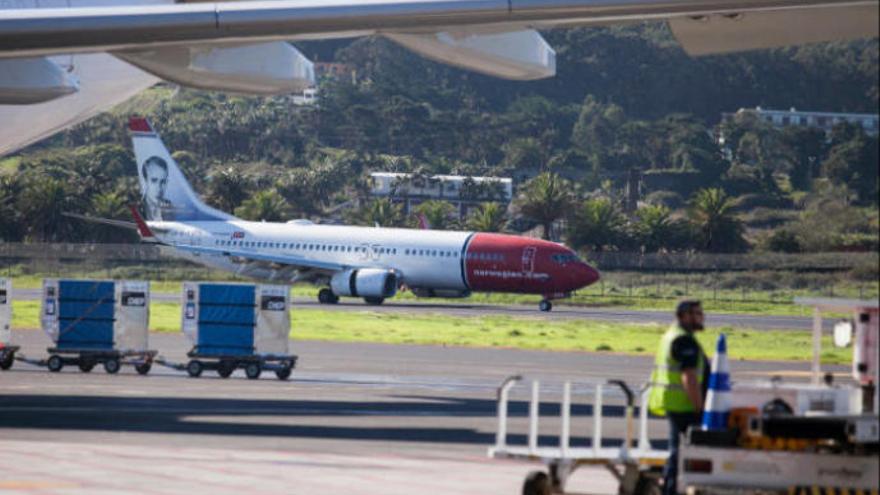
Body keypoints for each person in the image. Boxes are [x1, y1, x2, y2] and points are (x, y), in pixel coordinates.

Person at [649, 300, 709, 495]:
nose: (702, 317)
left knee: (677, 455)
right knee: (680, 456)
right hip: (686, 407)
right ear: (684, 316)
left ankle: (671, 489)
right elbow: (689, 377)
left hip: (676, 404)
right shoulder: (683, 340)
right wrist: (700, 408)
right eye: (697, 313)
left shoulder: (671, 336)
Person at [141, 156, 171, 221]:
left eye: (163, 182)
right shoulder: (137, 209)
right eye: (154, 181)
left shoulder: (171, 209)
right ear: (145, 182)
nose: (159, 187)